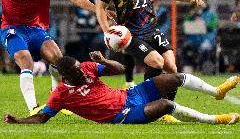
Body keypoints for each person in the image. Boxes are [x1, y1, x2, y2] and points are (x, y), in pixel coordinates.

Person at [4, 51, 240, 125]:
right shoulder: (60, 95)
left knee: (174, 77)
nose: (81, 72)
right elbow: (42, 118)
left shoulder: (86, 67)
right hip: (120, 115)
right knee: (166, 105)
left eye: (80, 68)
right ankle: (215, 119)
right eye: (76, 71)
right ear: (66, 76)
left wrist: (104, 61)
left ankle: (216, 92)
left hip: (129, 95)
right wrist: (19, 121)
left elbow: (119, 68)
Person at [0, 0, 96, 115]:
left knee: (59, 61)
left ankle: (56, 100)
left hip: (35, 28)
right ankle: (33, 108)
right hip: (12, 28)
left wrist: (98, 10)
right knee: (25, 59)